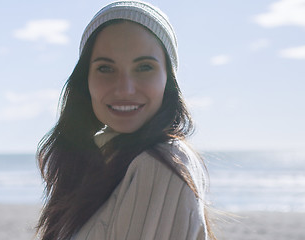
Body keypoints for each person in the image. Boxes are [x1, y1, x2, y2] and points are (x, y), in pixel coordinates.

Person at [36, 1, 214, 239]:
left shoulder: (162, 164)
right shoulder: (101, 159)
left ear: (168, 79)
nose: (124, 89)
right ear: (85, 80)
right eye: (106, 69)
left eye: (144, 67)